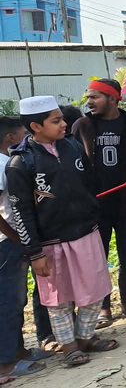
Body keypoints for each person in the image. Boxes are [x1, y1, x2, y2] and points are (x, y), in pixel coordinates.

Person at [6, 96, 120, 367]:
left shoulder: (72, 147)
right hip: (50, 242)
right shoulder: (21, 164)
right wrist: (35, 253)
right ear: (35, 126)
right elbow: (21, 213)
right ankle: (68, 346)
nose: (64, 124)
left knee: (95, 289)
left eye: (62, 118)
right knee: (58, 299)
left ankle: (85, 337)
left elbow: (88, 183)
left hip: (86, 232)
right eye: (56, 121)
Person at [71, 79, 126, 326]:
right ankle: (104, 307)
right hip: (96, 207)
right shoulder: (83, 126)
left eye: (95, 97)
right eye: (88, 97)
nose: (89, 101)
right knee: (98, 259)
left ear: (113, 99)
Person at [0, 117, 49, 379]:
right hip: (6, 244)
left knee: (15, 300)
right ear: (10, 138)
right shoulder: (2, 165)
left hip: (10, 241)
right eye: (22, 133)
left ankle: (16, 351)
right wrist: (15, 236)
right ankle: (5, 364)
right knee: (8, 302)